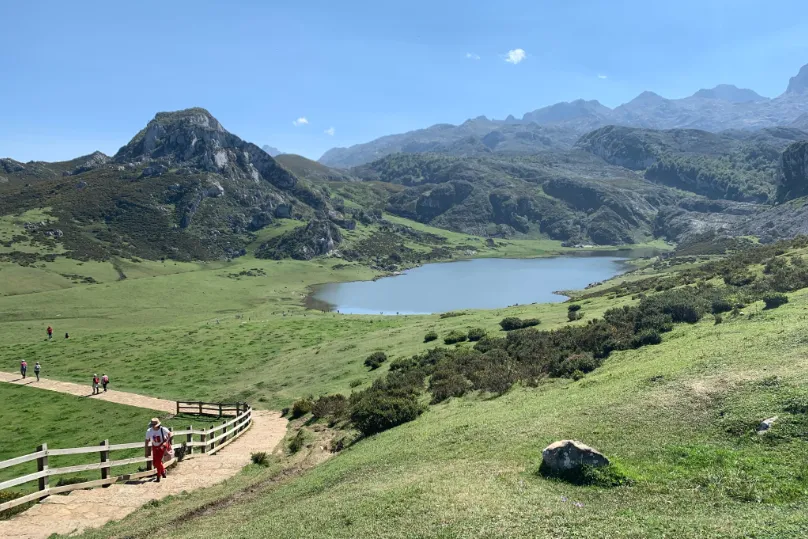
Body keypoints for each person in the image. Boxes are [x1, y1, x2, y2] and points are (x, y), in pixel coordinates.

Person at [144, 418, 172, 482]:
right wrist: (146, 451)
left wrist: (166, 441)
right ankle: (163, 471)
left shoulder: (163, 429)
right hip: (154, 446)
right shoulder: (149, 431)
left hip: (162, 446)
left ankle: (158, 476)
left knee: (158, 461)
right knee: (154, 463)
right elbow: (147, 441)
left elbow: (170, 434)